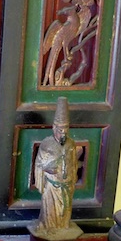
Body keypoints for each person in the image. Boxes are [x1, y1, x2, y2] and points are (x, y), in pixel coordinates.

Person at [34, 96, 79, 232]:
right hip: (52, 186)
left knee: (65, 212)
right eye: (60, 130)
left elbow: (74, 163)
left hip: (66, 185)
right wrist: (48, 168)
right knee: (50, 212)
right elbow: (39, 164)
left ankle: (63, 227)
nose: (63, 133)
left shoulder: (71, 144)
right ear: (54, 128)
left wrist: (72, 178)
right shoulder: (46, 144)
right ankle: (49, 228)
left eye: (66, 129)